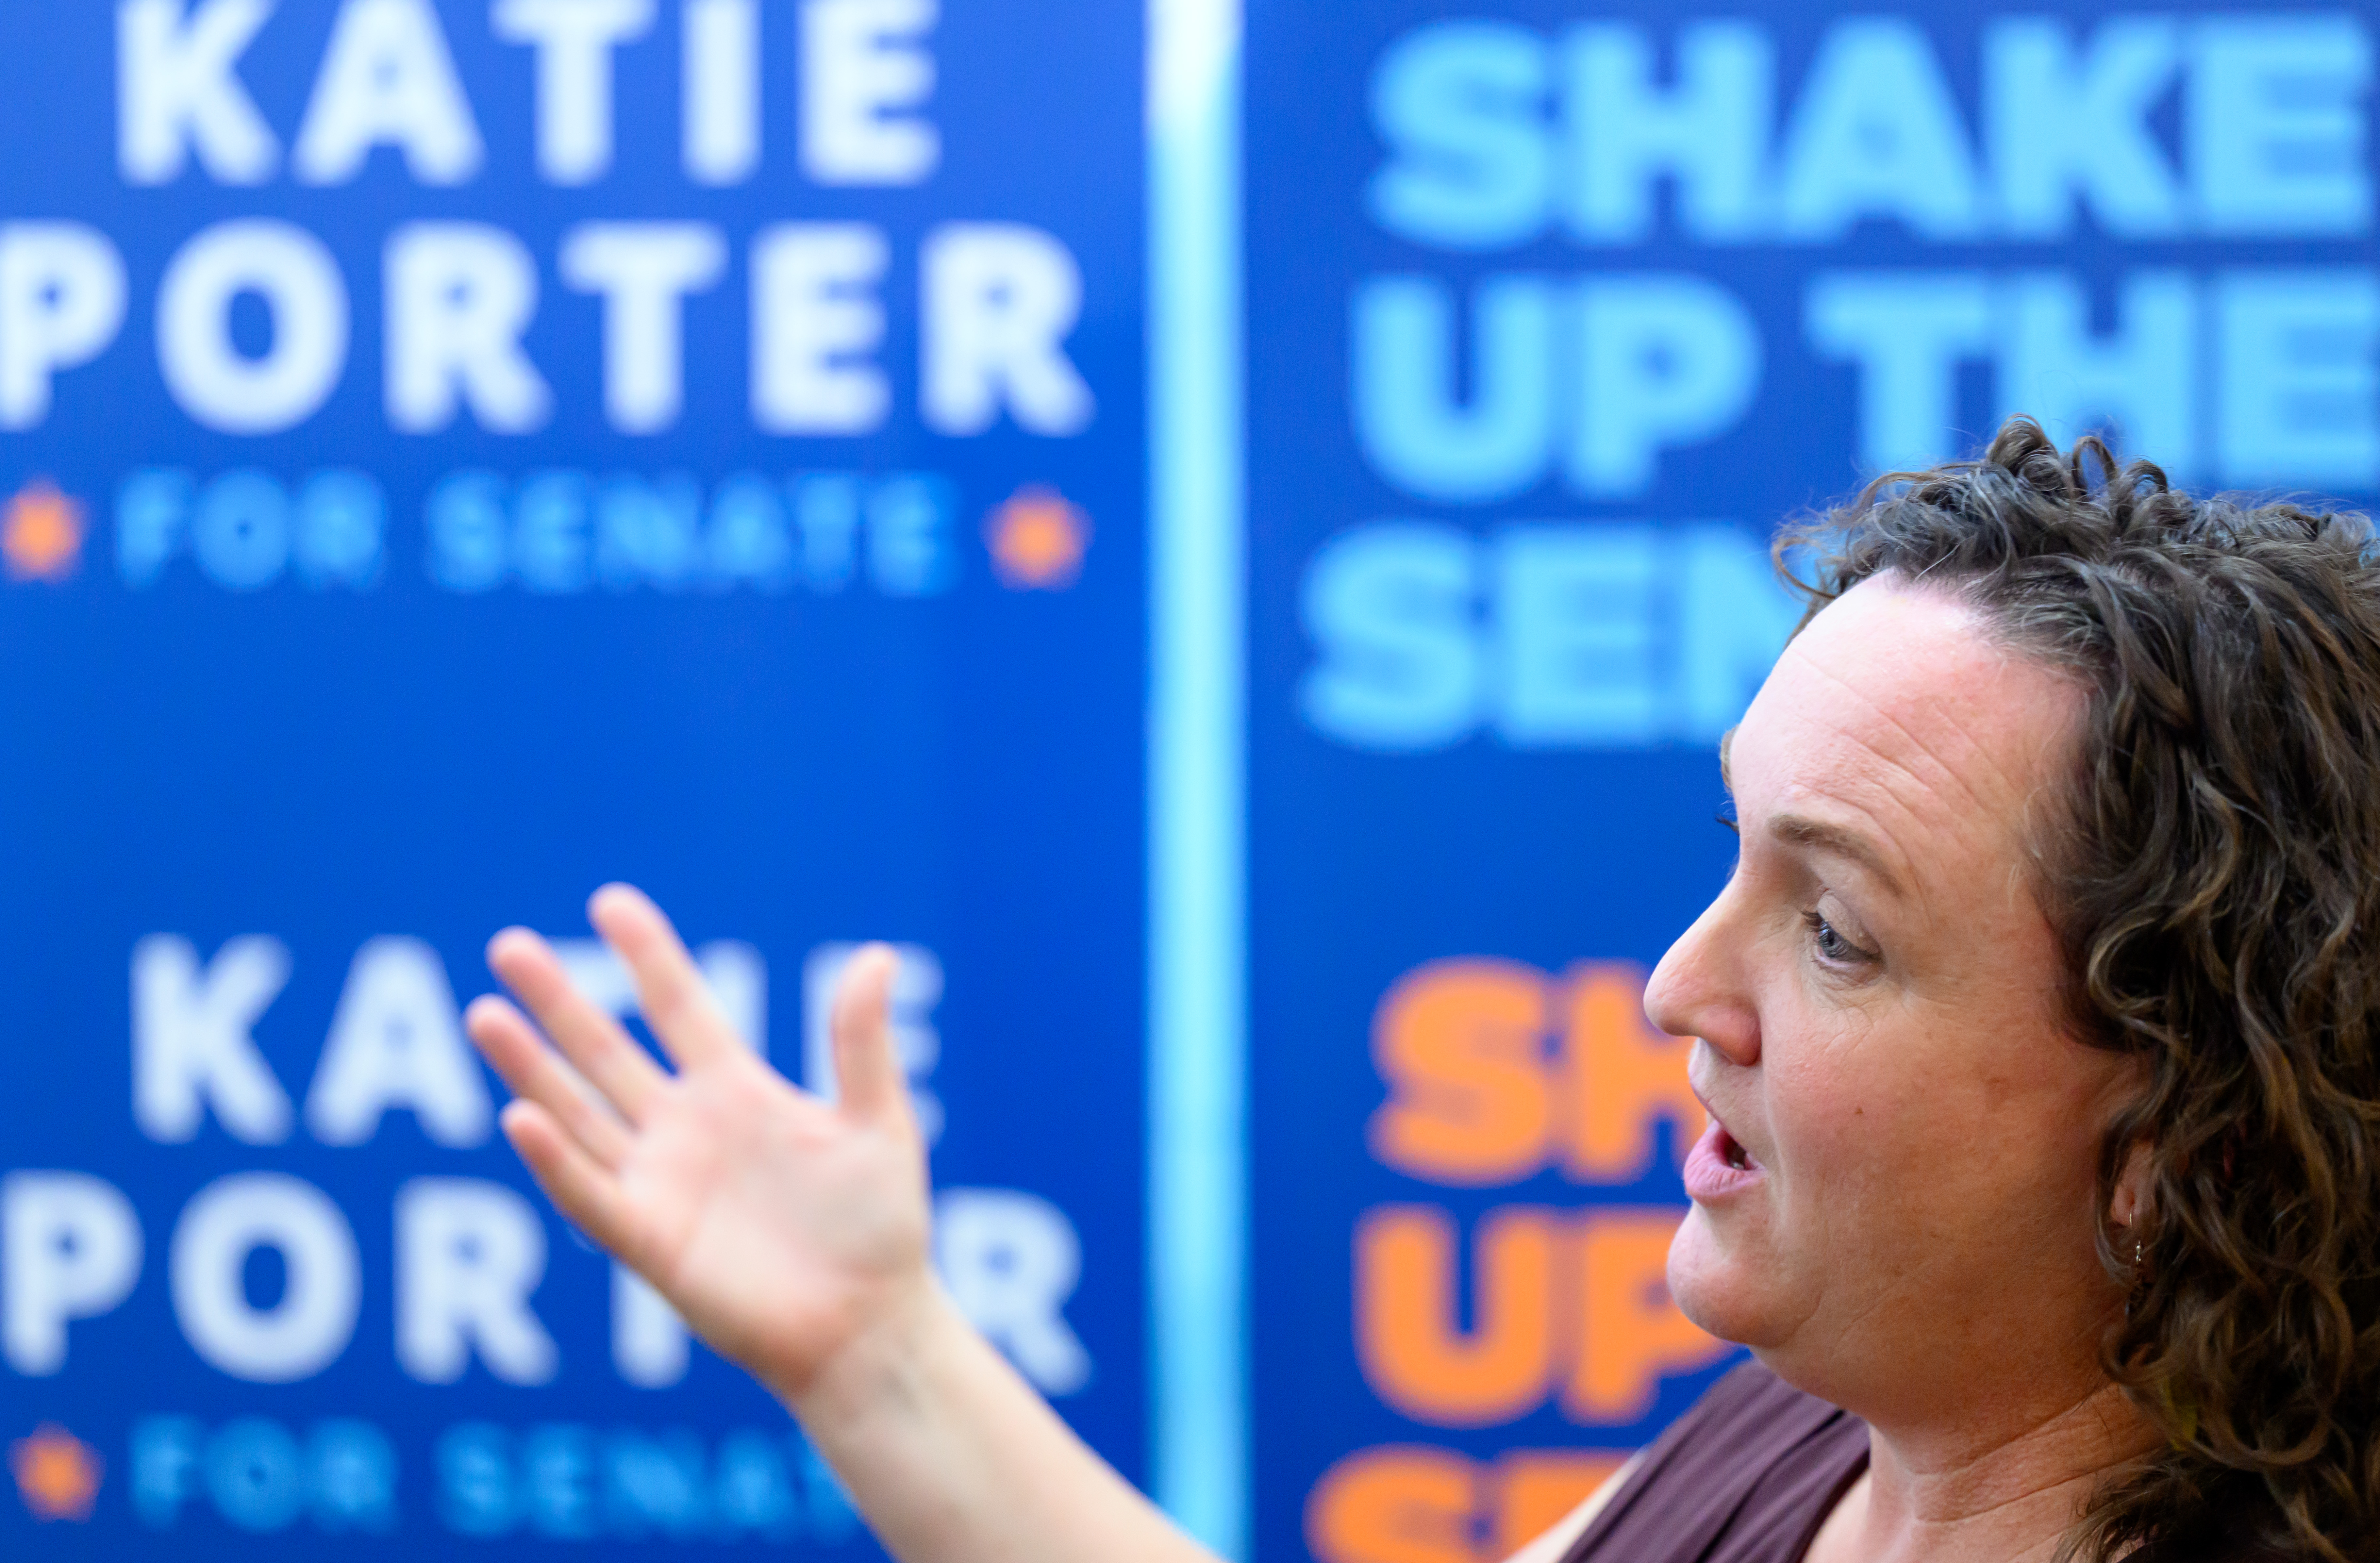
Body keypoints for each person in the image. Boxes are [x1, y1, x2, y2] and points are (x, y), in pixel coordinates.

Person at [464, 417, 2380, 1563]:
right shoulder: (1806, 1439)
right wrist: (873, 1341)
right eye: (1734, 854)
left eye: (1835, 931)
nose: (1671, 985)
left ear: (2169, 1131)